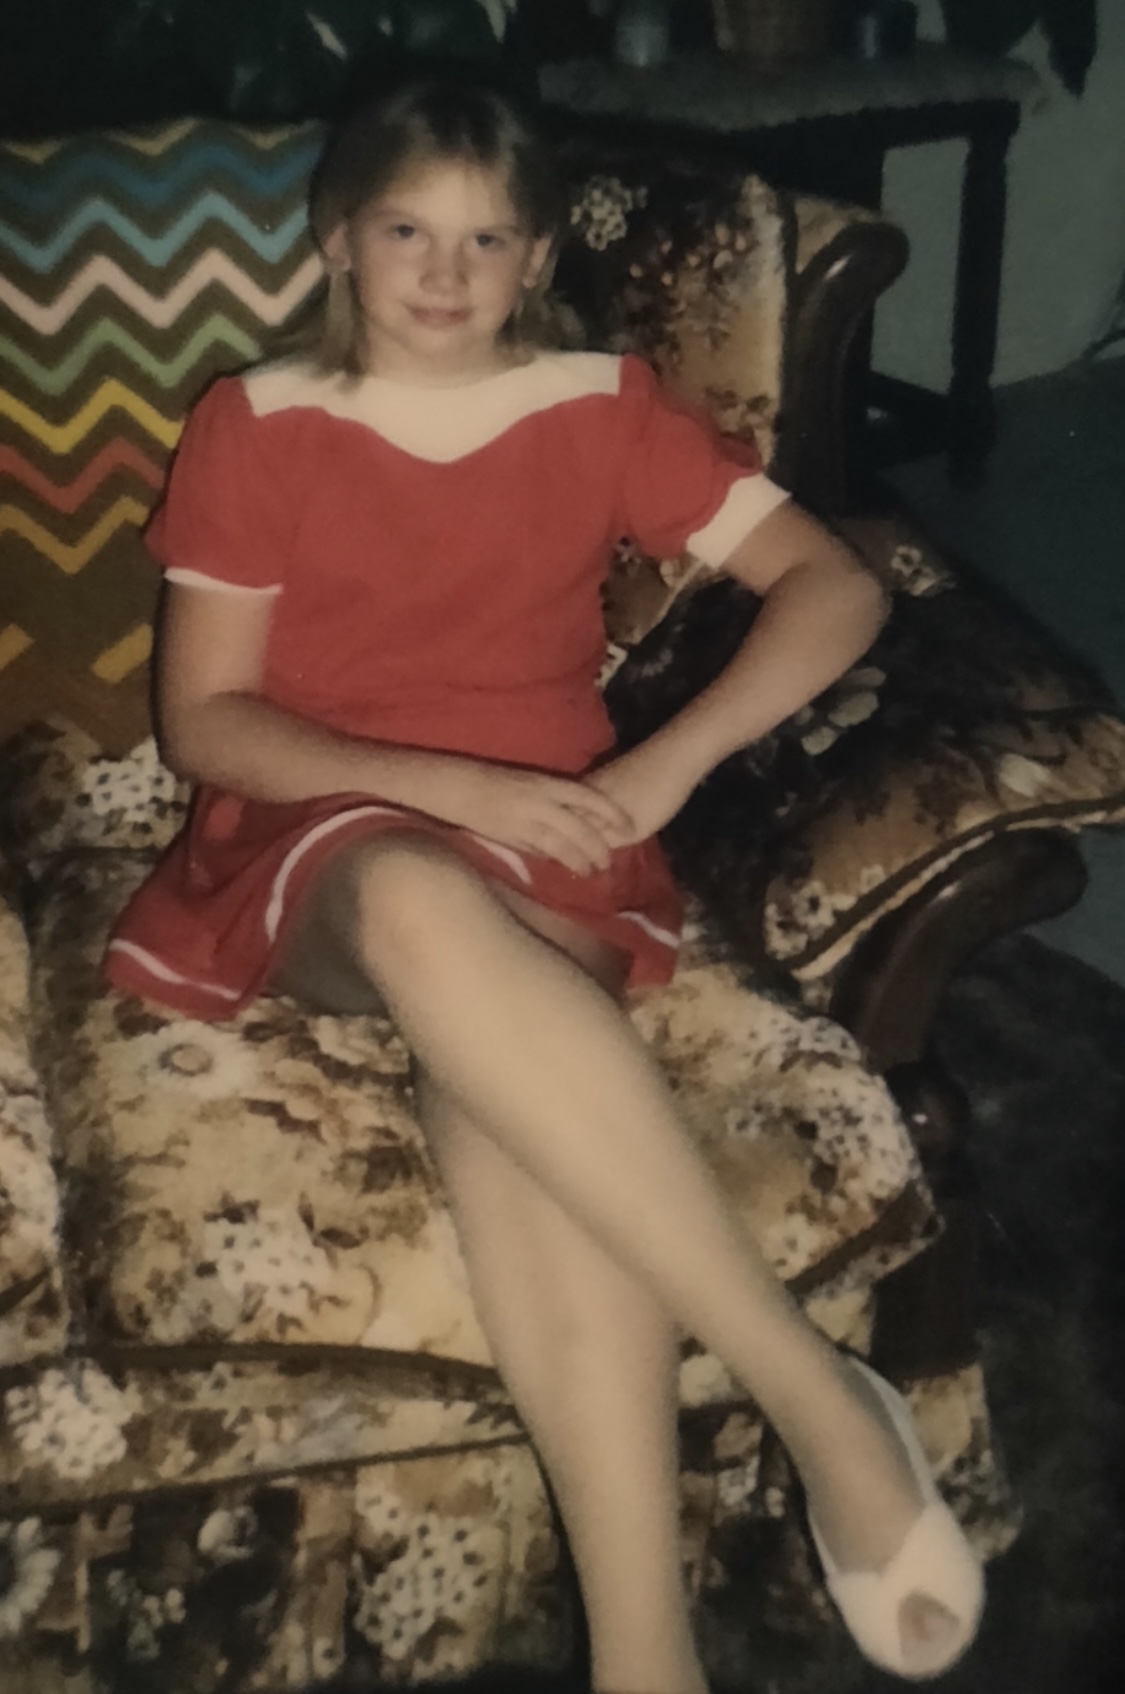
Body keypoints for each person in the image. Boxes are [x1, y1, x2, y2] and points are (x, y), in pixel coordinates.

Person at [104, 63, 984, 1689]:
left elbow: (832, 587)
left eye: (486, 238)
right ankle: (816, 1396)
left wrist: (658, 770)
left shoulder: (597, 404)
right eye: (405, 231)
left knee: (512, 1124)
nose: (444, 273)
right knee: (416, 895)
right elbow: (207, 721)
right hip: (320, 828)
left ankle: (642, 1659)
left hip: (552, 841)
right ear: (336, 241)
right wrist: (446, 784)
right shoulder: (260, 423)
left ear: (536, 259)